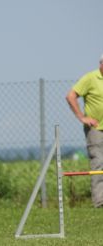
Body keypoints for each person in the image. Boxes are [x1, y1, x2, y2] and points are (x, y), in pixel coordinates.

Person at [66, 54, 103, 208]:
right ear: (101, 64)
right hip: (95, 130)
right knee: (99, 163)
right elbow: (70, 96)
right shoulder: (90, 78)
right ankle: (100, 202)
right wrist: (82, 117)